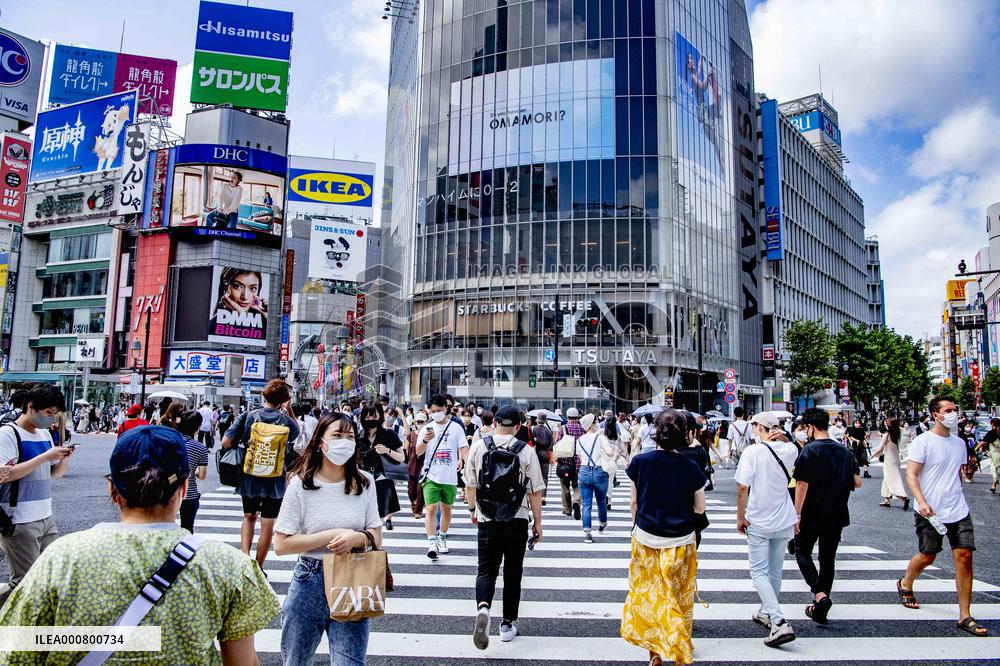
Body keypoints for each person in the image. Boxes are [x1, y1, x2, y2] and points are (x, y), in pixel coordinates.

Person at [0, 424, 278, 664]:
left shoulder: (61, 557)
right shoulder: (228, 566)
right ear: (183, 489)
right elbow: (242, 661)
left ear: (112, 489)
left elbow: (17, 650)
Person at [274, 412, 383, 664]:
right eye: (337, 435)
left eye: (350, 436)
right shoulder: (301, 484)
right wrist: (331, 535)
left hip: (353, 576)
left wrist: (356, 538)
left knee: (350, 661)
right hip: (310, 578)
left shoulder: (365, 482)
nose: (344, 441)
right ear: (320, 441)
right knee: (296, 660)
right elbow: (281, 544)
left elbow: (376, 535)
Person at [621, 409, 707, 666]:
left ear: (656, 432)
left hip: (645, 536)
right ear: (684, 433)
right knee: (678, 596)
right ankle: (680, 645)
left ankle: (655, 653)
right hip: (681, 540)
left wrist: (637, 523)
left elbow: (634, 502)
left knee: (650, 595)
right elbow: (700, 508)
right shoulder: (691, 467)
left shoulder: (640, 463)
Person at [899, 396, 988, 637]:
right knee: (928, 555)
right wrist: (922, 502)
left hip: (958, 509)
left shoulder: (959, 443)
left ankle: (964, 615)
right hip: (930, 511)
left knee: (964, 556)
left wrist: (956, 492)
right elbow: (911, 475)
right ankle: (906, 582)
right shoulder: (923, 442)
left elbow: (956, 473)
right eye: (948, 410)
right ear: (935, 415)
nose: (953, 414)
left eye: (954, 410)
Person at [465, 405, 544, 649]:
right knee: (512, 572)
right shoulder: (526, 450)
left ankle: (483, 608)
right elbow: (535, 492)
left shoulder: (479, 446)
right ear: (519, 426)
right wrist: (538, 523)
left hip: (487, 516)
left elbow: (470, 484)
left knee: (486, 569)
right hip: (516, 518)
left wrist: (473, 510)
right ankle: (507, 624)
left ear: (495, 423)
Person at [0, 385, 72, 605]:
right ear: (31, 407)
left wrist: (64, 458)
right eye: (48, 413)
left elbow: (53, 474)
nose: (51, 418)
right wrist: (45, 456)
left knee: (50, 576)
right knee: (25, 583)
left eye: (54, 414)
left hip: (45, 516)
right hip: (19, 519)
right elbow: (5, 475)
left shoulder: (44, 434)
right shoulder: (8, 434)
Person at [221, 379, 300, 572]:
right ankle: (258, 567)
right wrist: (289, 409)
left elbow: (225, 442)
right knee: (267, 524)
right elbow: (296, 433)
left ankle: (245, 560)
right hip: (275, 479)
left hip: (250, 475)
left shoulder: (249, 416)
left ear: (265, 395)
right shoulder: (285, 421)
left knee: (249, 517)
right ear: (283, 400)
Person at [735, 412, 799, 647]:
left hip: (759, 519)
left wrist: (740, 517)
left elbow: (742, 488)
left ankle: (779, 621)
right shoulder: (791, 450)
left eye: (754, 426)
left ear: (760, 427)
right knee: (775, 571)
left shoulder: (753, 452)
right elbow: (793, 447)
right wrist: (786, 438)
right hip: (784, 518)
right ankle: (766, 612)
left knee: (759, 573)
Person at [792, 408, 861, 625]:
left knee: (802, 550)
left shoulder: (809, 450)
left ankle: (820, 595)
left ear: (811, 427)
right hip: (837, 512)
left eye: (805, 428)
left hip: (812, 512)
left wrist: (796, 513)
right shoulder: (844, 451)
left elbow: (802, 483)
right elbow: (857, 482)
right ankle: (821, 606)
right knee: (827, 559)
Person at [415, 394, 469, 559]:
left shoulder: (456, 428)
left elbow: (464, 448)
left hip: (449, 476)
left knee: (446, 509)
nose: (436, 413)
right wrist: (425, 441)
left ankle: (442, 537)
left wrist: (468, 466)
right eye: (432, 411)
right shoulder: (426, 429)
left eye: (439, 410)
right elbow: (418, 452)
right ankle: (432, 542)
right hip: (431, 475)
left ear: (446, 409)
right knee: (431, 509)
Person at [358, 401, 404, 530]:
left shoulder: (389, 434)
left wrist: (387, 451)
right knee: (361, 520)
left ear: (380, 417)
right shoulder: (358, 435)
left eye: (374, 416)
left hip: (382, 481)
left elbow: (401, 458)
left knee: (376, 521)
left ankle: (376, 541)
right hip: (362, 482)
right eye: (367, 417)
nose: (370, 420)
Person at [577, 413, 612, 543]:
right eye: (596, 421)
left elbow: (580, 456)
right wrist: (601, 451)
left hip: (584, 470)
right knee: (601, 501)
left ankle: (587, 532)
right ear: (591, 424)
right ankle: (602, 523)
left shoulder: (579, 440)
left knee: (586, 504)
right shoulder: (600, 438)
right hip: (599, 471)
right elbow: (610, 452)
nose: (597, 423)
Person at [177, 410, 209, 532]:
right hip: (189, 493)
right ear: (197, 428)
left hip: (170, 493)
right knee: (187, 528)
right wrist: (193, 471)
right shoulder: (201, 448)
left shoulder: (171, 443)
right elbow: (202, 475)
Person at [870, 418, 910, 509]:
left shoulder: (887, 434)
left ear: (889, 425)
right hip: (896, 458)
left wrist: (872, 456)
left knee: (893, 479)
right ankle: (887, 500)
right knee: (887, 478)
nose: (885, 424)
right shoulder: (897, 433)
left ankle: (904, 497)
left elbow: (880, 448)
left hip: (889, 459)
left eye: (886, 423)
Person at [553, 407, 584, 519]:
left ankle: (567, 509)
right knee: (577, 485)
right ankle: (576, 501)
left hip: (565, 462)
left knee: (565, 486)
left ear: (567, 416)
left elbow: (557, 443)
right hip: (578, 462)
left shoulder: (563, 428)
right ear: (577, 416)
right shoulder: (582, 429)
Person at [406, 411, 428, 519]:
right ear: (415, 423)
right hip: (412, 464)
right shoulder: (411, 435)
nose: (420, 423)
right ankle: (413, 501)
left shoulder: (428, 436)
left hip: (423, 464)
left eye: (422, 422)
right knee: (411, 490)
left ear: (425, 422)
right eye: (418, 421)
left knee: (420, 488)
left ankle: (418, 511)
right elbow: (406, 449)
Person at [530, 415, 554, 504]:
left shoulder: (533, 429)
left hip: (535, 453)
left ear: (538, 420)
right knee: (544, 477)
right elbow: (551, 447)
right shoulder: (548, 431)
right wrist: (551, 458)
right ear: (545, 420)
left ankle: (535, 495)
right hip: (545, 453)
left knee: (534, 476)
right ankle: (543, 497)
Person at [978, 418, 1000, 494]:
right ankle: (993, 485)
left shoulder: (992, 432)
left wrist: (976, 448)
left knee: (995, 471)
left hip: (995, 456)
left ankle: (994, 485)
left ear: (992, 424)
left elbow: (983, 442)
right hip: (996, 455)